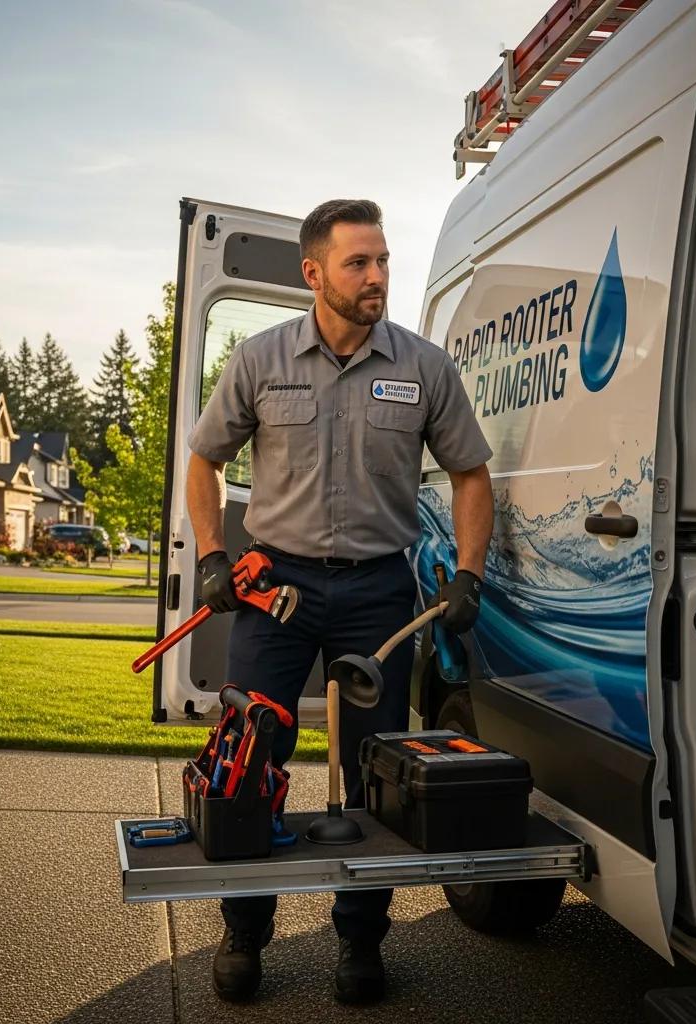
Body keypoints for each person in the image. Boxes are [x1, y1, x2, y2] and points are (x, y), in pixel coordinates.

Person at [186, 198, 494, 1005]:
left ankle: (361, 943)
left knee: (373, 774)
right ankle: (244, 934)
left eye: (384, 260)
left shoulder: (425, 367)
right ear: (313, 273)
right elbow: (204, 459)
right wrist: (215, 555)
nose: (377, 277)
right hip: (274, 590)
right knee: (251, 763)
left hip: (377, 594)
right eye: (359, 263)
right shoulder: (258, 360)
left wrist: (468, 573)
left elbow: (470, 474)